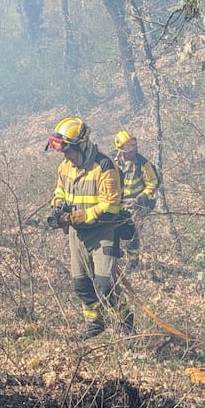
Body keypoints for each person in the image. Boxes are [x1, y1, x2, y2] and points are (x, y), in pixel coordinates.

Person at [45, 117, 133, 339]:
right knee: (82, 285)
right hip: (77, 234)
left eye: (69, 151)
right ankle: (94, 325)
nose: (67, 156)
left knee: (105, 286)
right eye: (63, 152)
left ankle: (127, 328)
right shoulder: (65, 167)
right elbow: (59, 191)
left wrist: (76, 216)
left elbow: (110, 206)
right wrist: (58, 206)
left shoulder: (104, 167)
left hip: (102, 233)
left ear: (83, 145)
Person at [111, 130, 160, 271]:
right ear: (120, 149)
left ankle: (132, 262)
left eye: (133, 145)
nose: (132, 150)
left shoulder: (143, 163)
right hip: (118, 203)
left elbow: (153, 183)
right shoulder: (112, 162)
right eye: (128, 147)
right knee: (111, 229)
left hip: (138, 205)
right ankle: (113, 256)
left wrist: (140, 199)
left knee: (132, 233)